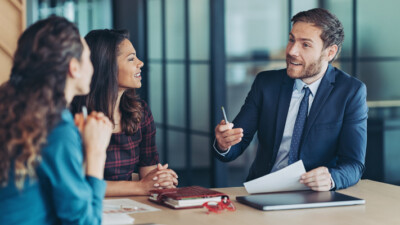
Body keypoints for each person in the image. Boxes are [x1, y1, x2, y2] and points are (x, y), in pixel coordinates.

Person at [214, 8, 367, 191]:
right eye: (292, 40)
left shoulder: (351, 92)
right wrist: (224, 144)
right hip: (263, 191)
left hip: (315, 196)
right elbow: (236, 144)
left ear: (330, 52)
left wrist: (331, 178)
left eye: (305, 45)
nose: (292, 51)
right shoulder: (266, 84)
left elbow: (353, 164)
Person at [0, 16, 113, 225]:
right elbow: (85, 222)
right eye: (88, 58)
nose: (93, 67)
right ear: (74, 68)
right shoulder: (56, 126)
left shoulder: (15, 111)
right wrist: (96, 152)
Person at [71, 29, 178, 196]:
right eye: (131, 58)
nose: (140, 63)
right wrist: (141, 187)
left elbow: (148, 173)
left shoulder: (140, 112)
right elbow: (74, 184)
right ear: (107, 65)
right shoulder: (74, 115)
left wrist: (160, 179)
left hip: (130, 208)